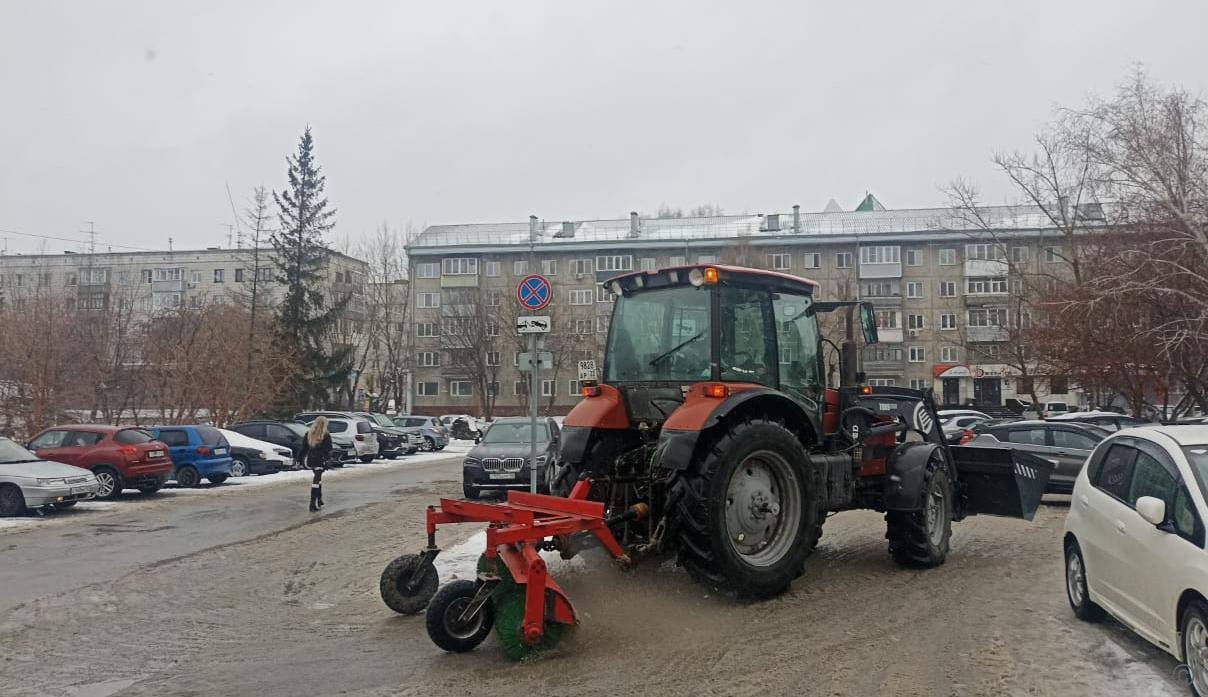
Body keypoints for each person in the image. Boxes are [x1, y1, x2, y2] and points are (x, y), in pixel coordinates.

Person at [298, 416, 333, 512]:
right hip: (320, 460)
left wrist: (299, 460)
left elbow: (303, 448)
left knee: (318, 477)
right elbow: (328, 449)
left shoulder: (308, 433)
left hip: (311, 459)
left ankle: (319, 499)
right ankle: (312, 503)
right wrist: (328, 459)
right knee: (316, 480)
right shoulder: (325, 435)